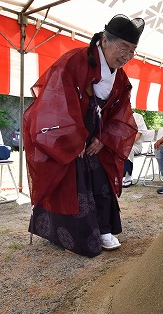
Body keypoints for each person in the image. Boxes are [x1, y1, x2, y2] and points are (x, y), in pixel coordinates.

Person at [23, 14, 145, 257]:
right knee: (70, 178)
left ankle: (104, 229)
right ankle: (74, 236)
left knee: (100, 178)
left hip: (95, 138)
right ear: (105, 41)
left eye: (132, 51)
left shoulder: (119, 77)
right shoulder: (74, 61)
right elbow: (56, 99)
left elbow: (121, 111)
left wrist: (105, 138)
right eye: (124, 48)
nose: (127, 56)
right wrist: (73, 137)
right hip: (67, 137)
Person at [122, 111, 149, 187]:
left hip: (135, 146)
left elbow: (138, 134)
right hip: (119, 146)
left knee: (127, 149)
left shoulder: (137, 117)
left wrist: (126, 143)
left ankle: (128, 176)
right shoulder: (117, 116)